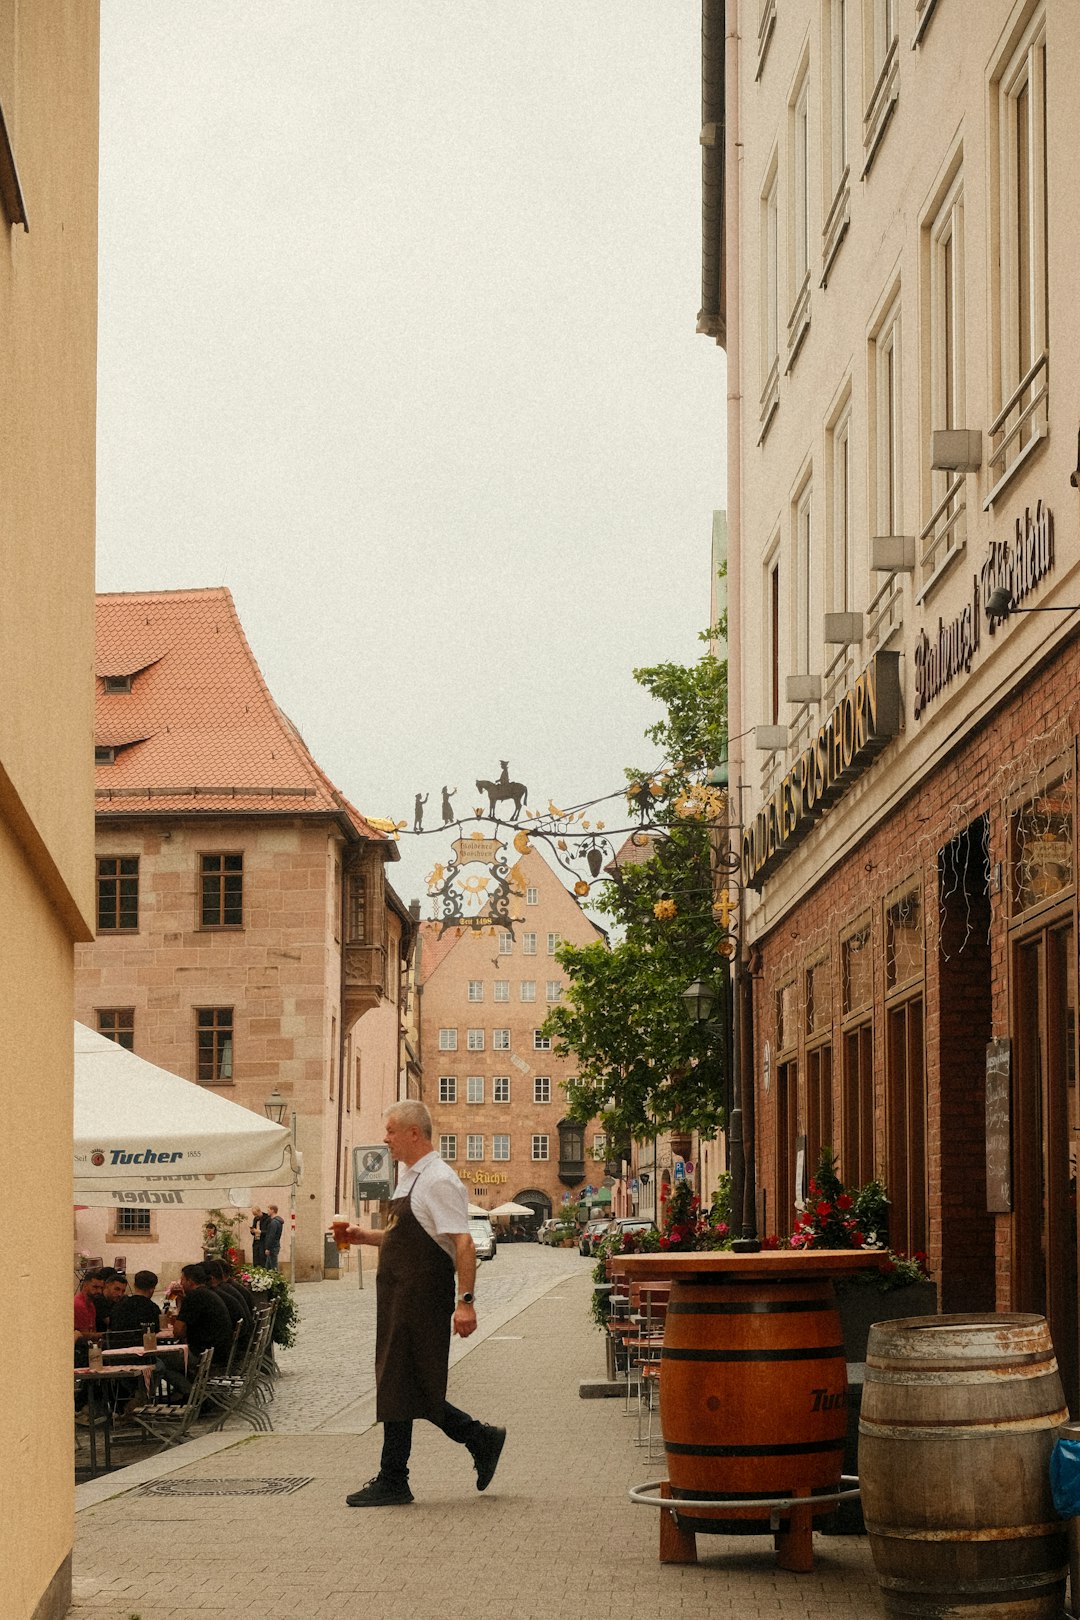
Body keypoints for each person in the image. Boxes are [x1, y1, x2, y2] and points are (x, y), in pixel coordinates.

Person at [339, 1100, 506, 1507]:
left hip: (420, 1298)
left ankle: (399, 1476)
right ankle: (472, 1441)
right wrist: (365, 1236)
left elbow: (463, 1243)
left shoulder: (438, 1180)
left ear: (415, 1133)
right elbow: (412, 1236)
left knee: (408, 1383)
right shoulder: (410, 1179)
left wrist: (465, 1302)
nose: (385, 1138)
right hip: (400, 1296)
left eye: (391, 1130)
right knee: (403, 1383)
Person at [171, 1263, 234, 1368]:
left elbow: (178, 1332)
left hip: (206, 1356)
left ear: (190, 1282)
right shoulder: (208, 1293)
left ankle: (190, 1384)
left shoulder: (194, 1296)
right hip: (220, 1351)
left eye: (182, 1280)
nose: (181, 1284)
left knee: (163, 1363)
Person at [107, 1270, 162, 1346]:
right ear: (152, 1289)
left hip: (119, 1351)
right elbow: (157, 1333)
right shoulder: (153, 1308)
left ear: (134, 1285)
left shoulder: (118, 1306)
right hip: (145, 1352)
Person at [263, 1206, 284, 1270]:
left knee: (273, 1267)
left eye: (268, 1210)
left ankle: (276, 1279)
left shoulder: (274, 1223)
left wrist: (267, 1248)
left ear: (272, 1211)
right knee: (268, 1267)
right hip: (274, 1246)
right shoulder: (277, 1221)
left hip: (272, 1247)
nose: (267, 1212)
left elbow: (271, 1236)